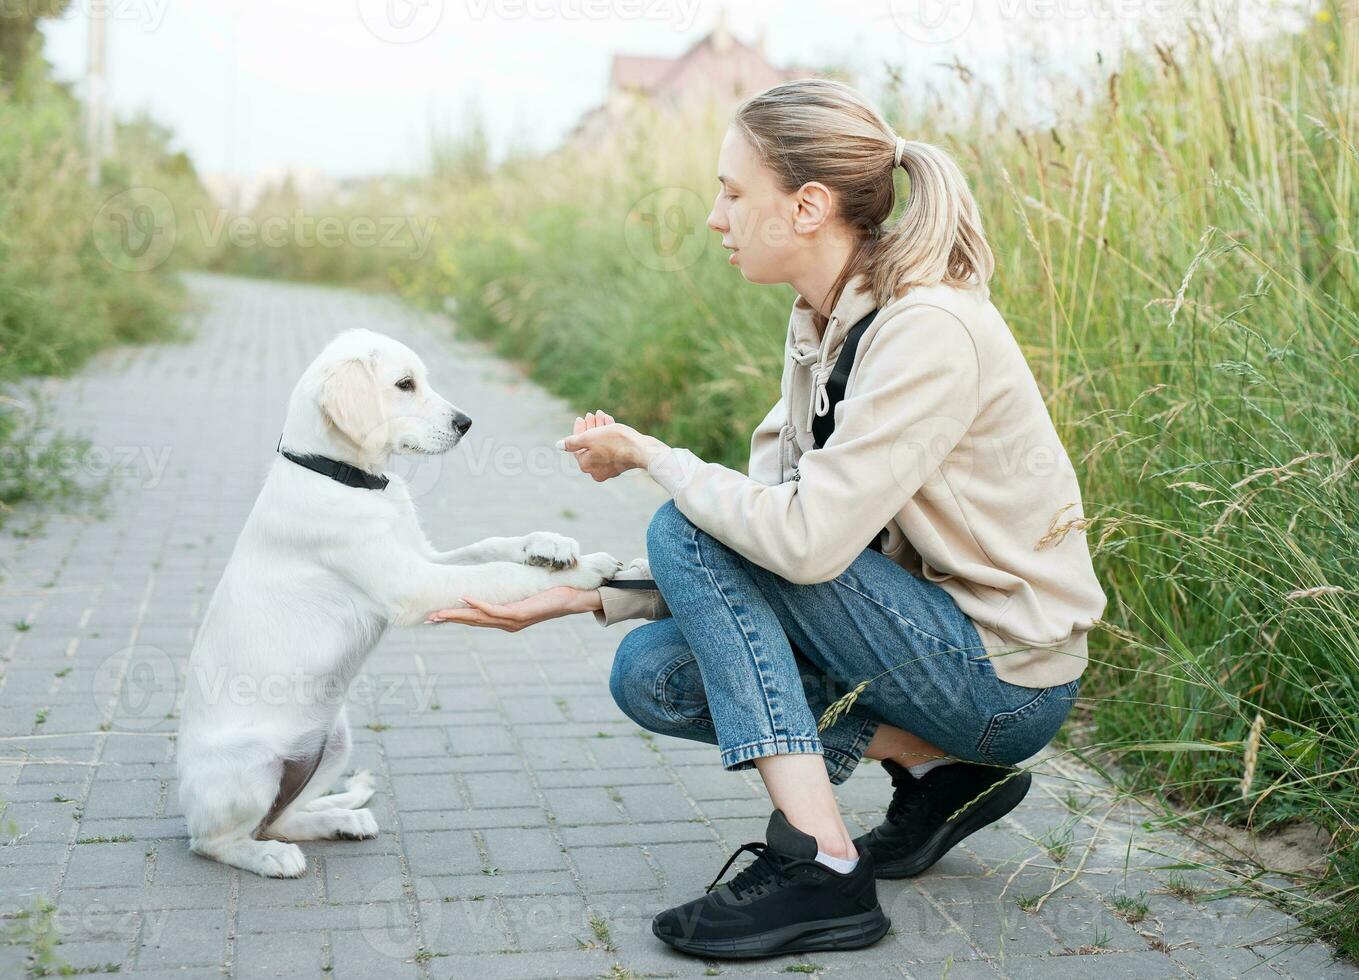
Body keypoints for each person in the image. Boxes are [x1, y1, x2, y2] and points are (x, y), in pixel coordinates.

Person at [430, 78, 1107, 960]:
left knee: (682, 521)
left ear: (808, 205)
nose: (715, 217)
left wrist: (655, 459)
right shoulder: (823, 324)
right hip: (924, 641)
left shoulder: (926, 329)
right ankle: (940, 774)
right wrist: (583, 595)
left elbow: (802, 541)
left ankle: (822, 869)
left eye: (732, 191)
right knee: (651, 674)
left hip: (1004, 673)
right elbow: (758, 547)